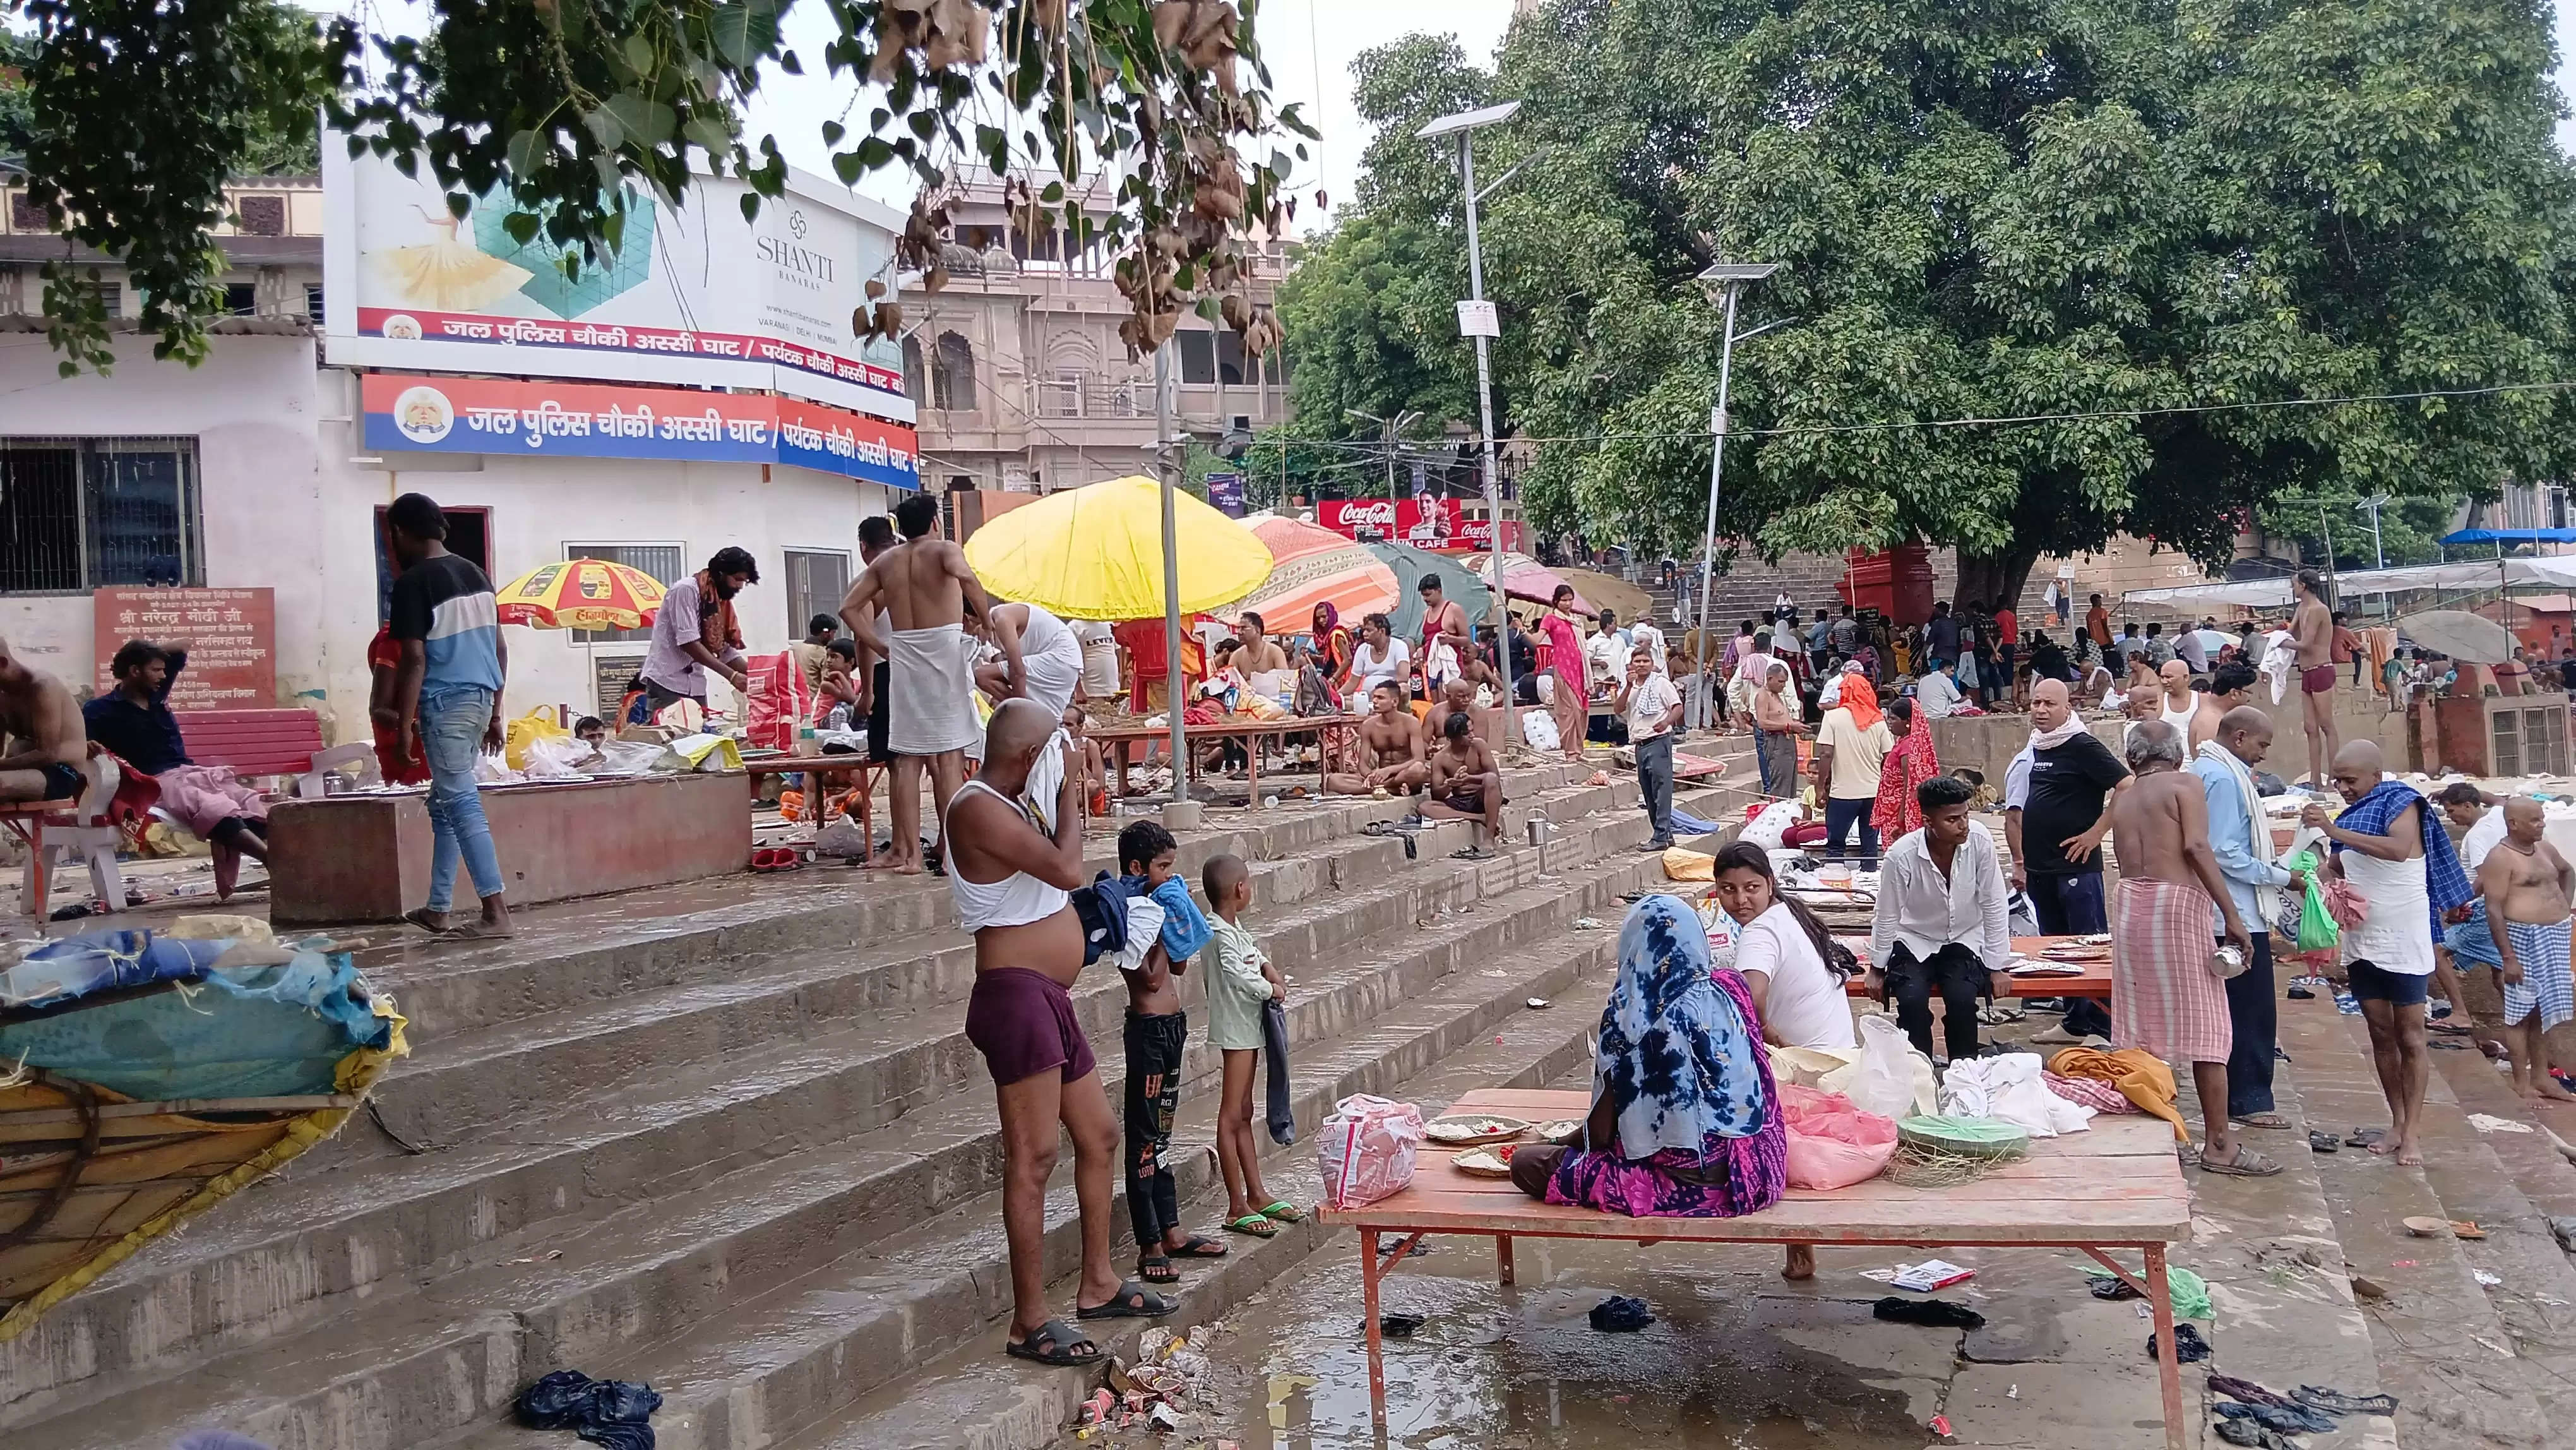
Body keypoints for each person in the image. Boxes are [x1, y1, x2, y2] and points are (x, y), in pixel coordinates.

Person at [949, 698, 1172, 1364]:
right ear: (1027, 756)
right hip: (1015, 996)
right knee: (1035, 1155)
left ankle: (1099, 1279)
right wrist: (1073, 792)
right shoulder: (977, 804)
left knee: (1100, 1134)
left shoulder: (1018, 802)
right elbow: (1067, 869)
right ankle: (1028, 1321)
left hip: (1050, 995)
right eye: (1055, 748)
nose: (1067, 755)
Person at [1507, 895, 1788, 1218]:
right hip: (1757, 1167)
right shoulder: (1732, 988)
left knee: (1526, 1164)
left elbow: (1599, 1135)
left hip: (1690, 1185)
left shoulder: (1631, 1018)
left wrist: (1560, 1140)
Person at [2108, 721, 2272, 1175]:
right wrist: (2234, 918)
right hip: (2176, 905)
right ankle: (2219, 1145)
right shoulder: (2186, 783)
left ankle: (2156, 1136)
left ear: (2132, 759)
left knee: (2141, 1028)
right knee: (2209, 1029)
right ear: (2177, 756)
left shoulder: (2122, 797)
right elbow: (2198, 846)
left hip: (2129, 907)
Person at [2302, 741, 2472, 1166]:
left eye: (2350, 780)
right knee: (2381, 1037)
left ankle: (2413, 1133)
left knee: (2412, 1038)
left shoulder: (2402, 804)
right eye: (2338, 780)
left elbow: (2397, 851)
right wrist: (2306, 876)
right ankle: (2397, 1123)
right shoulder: (2350, 818)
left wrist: (2334, 832)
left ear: (2376, 777)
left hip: (2404, 941)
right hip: (2364, 943)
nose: (2343, 788)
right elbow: (2339, 866)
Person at [383, 494, 512, 938]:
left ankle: (495, 912)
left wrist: (402, 727)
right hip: (479, 700)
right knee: (444, 804)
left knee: (461, 802)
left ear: (400, 532)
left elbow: (414, 659)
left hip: (444, 702)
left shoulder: (413, 583)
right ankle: (438, 908)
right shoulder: (475, 573)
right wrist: (496, 711)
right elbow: (499, 647)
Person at [844, 493, 992, 875]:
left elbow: (848, 609)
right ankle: (950, 853)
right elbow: (966, 577)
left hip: (905, 653)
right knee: (948, 759)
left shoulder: (886, 561)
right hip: (941, 650)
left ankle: (910, 856)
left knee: (906, 760)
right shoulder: (943, 550)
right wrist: (987, 620)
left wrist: (879, 644)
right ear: (934, 523)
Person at [2193, 706, 2308, 1134]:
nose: (2263, 755)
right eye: (2262, 745)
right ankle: (2249, 1098)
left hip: (2224, 907)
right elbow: (2224, 851)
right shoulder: (2222, 778)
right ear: (2240, 738)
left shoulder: (2209, 769)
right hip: (2235, 911)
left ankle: (2240, 1094)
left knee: (2235, 1010)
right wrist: (2282, 876)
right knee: (2252, 1012)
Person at [84, 639, 278, 888]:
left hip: (191, 773)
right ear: (134, 671)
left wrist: (148, 653)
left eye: (164, 670)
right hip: (153, 782)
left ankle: (279, 860)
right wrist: (87, 746)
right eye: (156, 670)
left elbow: (183, 646)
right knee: (210, 807)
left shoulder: (156, 696)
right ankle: (271, 861)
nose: (163, 676)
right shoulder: (99, 709)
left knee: (247, 802)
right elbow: (77, 745)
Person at [2011, 679, 2128, 1043]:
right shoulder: (2040, 746)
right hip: (2041, 866)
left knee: (2087, 946)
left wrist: (2097, 834)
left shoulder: (2082, 745)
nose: (2041, 710)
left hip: (2076, 865)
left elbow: (2127, 785)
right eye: (2035, 703)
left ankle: (2102, 1026)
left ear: (2067, 708)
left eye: (2049, 704)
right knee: (2054, 946)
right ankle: (2074, 1021)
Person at [1871, 774, 2010, 1064]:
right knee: (1911, 1000)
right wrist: (1877, 967)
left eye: (1966, 816)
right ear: (1928, 821)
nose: (1964, 826)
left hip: (1965, 937)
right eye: (1953, 820)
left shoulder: (1980, 841)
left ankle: (1966, 1071)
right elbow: (1887, 914)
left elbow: (1994, 902)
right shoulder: (1901, 856)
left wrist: (1997, 965)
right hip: (1914, 938)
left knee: (1961, 999)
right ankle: (1918, 1072)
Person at [1203, 852, 1301, 1238]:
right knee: (1231, 1116)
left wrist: (1268, 966)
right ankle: (1235, 1205)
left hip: (1249, 1026)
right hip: (1236, 1030)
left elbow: (1251, 954)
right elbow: (1235, 971)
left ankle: (1256, 1193)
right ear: (1240, 889)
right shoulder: (1217, 932)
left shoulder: (1233, 926)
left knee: (1245, 1110)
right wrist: (1270, 988)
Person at [2479, 798, 2576, 1102]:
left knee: (2544, 1010)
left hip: (2554, 936)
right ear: (2513, 824)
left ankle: (2542, 1078)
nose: (2542, 824)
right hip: (2523, 938)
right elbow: (2493, 908)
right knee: (2520, 1013)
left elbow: (2568, 871)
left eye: (2542, 818)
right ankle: (2522, 1083)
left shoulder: (2545, 849)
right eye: (2535, 820)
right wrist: (2508, 957)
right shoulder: (2500, 857)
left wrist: (2564, 907)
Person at [637, 546, 759, 719]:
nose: (739, 586)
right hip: (667, 683)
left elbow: (722, 649)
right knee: (672, 741)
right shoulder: (686, 590)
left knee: (700, 742)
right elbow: (689, 643)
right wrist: (732, 676)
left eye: (744, 582)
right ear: (721, 573)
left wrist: (760, 675)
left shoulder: (718, 602)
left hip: (696, 684)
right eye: (737, 579)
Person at [839, 515, 902, 782]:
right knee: (937, 759)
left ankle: (904, 826)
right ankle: (948, 824)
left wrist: (867, 691)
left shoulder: (866, 581)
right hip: (927, 662)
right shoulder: (918, 570)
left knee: (897, 762)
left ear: (863, 545)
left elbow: (863, 639)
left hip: (886, 672)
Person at [1811, 674, 1893, 869]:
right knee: (1870, 845)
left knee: (1836, 845)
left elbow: (1826, 754)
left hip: (1843, 794)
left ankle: (1835, 881)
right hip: (1873, 793)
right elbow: (1888, 758)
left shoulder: (1832, 717)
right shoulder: (1878, 720)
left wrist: (1820, 788)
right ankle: (1869, 879)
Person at [0, 636, 86, 807]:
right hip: (16, 771)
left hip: (60, 772)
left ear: (2, 663)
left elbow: (47, 754)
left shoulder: (42, 687)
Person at [1616, 644, 1684, 850]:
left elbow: (1677, 707)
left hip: (1658, 741)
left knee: (1662, 791)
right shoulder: (1630, 686)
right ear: (1631, 665)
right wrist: (1628, 687)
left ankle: (1661, 836)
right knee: (1648, 792)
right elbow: (1618, 709)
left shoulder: (1660, 684)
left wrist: (1666, 723)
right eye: (1638, 662)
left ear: (1652, 664)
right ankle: (1663, 834)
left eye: (1646, 661)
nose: (1642, 665)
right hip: (1640, 744)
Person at [979, 599, 1087, 716]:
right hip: (1068, 662)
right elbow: (1007, 667)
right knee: (1047, 715)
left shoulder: (1002, 620)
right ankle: (1031, 713)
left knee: (982, 675)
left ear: (970, 620)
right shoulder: (997, 621)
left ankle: (1024, 713)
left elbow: (1018, 672)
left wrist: (1018, 713)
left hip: (1060, 659)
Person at [1423, 708, 1506, 854]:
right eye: (1467, 733)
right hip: (1460, 801)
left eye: (1472, 731)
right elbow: (1436, 794)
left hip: (1483, 797)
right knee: (1425, 807)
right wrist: (1450, 784)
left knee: (1490, 779)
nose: (1472, 736)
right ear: (1453, 737)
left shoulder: (1479, 745)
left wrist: (1469, 779)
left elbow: (1494, 776)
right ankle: (1479, 818)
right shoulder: (1440, 758)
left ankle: (1489, 838)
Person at [1323, 680, 1430, 794]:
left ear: (1395, 702)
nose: (1374, 701)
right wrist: (1370, 776)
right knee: (1332, 780)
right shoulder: (1368, 725)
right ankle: (1389, 789)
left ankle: (1382, 788)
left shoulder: (1411, 723)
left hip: (1403, 774)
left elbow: (1419, 759)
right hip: (1380, 777)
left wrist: (1388, 770)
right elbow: (1363, 763)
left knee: (1418, 769)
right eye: (1374, 697)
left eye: (1380, 698)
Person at [2290, 570, 2340, 788]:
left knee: (2326, 725)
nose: (2293, 589)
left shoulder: (2320, 610)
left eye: (2294, 585)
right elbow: (2291, 632)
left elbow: (2306, 643)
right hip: (2307, 671)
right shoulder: (2302, 608)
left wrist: (2280, 644)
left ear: (2303, 585)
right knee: (2310, 727)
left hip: (2321, 669)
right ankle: (2315, 778)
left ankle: (2334, 777)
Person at [365, 623, 431, 786]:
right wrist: (412, 726)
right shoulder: (391, 644)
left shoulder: (444, 639)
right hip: (408, 744)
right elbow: (379, 709)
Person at [1530, 584, 1590, 764]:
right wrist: (1522, 631)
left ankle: (1578, 751)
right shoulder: (1550, 619)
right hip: (1563, 668)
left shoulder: (1575, 620)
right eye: (1564, 600)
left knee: (1581, 709)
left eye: (1570, 599)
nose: (1568, 603)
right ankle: (1570, 752)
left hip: (1579, 670)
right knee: (1569, 710)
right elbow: (1536, 641)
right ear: (1556, 601)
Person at [1873, 698, 1941, 843]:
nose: (1889, 722)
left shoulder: (1908, 747)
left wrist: (1901, 820)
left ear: (1907, 721)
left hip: (1899, 809)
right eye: (1888, 718)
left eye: (1893, 719)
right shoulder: (1903, 742)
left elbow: (1909, 785)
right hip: (1893, 808)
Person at [1751, 661, 1804, 798]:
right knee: (1780, 787)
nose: (1783, 685)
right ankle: (1779, 816)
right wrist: (1788, 726)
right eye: (1780, 681)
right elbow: (1762, 723)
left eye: (1785, 682)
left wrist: (1795, 726)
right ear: (1770, 679)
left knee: (1790, 785)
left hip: (1788, 741)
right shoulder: (1763, 696)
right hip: (1776, 743)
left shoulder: (1778, 696)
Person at [1414, 576, 1470, 698]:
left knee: (1449, 703)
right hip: (1432, 666)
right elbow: (1427, 639)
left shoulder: (1454, 609)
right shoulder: (1426, 614)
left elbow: (1467, 640)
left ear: (1439, 591)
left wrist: (1451, 639)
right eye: (1423, 595)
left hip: (1450, 664)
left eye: (1428, 595)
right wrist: (1421, 649)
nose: (1425, 599)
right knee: (1436, 705)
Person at [2189, 662, 2258, 752]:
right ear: (2234, 693)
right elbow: (2209, 764)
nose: (2250, 698)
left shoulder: (2216, 716)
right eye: (2249, 693)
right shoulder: (2211, 722)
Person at [1345, 612, 1410, 700]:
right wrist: (1336, 697)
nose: (1364, 634)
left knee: (1404, 687)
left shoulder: (1399, 646)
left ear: (1382, 631)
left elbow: (1403, 679)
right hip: (1367, 698)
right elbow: (1352, 682)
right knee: (1345, 701)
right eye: (1364, 630)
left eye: (1369, 630)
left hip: (1392, 697)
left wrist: (1381, 694)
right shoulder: (1362, 649)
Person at [789, 613, 841, 696]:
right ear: (826, 633)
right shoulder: (822, 653)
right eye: (833, 633)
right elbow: (827, 683)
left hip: (793, 698)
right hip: (812, 701)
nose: (833, 638)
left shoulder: (793, 649)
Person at [2153, 659, 2197, 740]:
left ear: (2186, 677)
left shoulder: (2202, 700)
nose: (2164, 682)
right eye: (2162, 677)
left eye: (2168, 677)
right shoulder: (2158, 702)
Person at [1916, 655, 1965, 721]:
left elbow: (1919, 699)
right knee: (1968, 702)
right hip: (1940, 714)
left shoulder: (1923, 680)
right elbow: (1958, 699)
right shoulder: (1945, 680)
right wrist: (1967, 697)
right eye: (1952, 671)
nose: (1953, 674)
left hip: (1925, 715)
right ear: (1945, 669)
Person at [1926, 600, 1960, 671]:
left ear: (1938, 610)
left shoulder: (1937, 624)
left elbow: (1929, 642)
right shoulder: (1954, 623)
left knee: (1937, 678)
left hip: (1939, 655)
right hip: (1952, 655)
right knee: (1953, 678)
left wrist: (1920, 656)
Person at [2332, 611, 2363, 687]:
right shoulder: (2343, 631)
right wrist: (2367, 653)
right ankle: (2355, 681)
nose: (2347, 620)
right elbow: (2358, 645)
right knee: (2357, 657)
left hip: (2329, 657)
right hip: (2339, 657)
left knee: (2354, 652)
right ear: (2339, 620)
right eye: (2344, 618)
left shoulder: (2330, 629)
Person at [2085, 593, 2113, 659]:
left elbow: (2089, 631)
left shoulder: (2089, 615)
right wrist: (2110, 639)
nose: (2101, 603)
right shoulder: (2102, 612)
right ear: (2095, 602)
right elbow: (2105, 626)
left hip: (2094, 643)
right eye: (2099, 601)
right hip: (2104, 641)